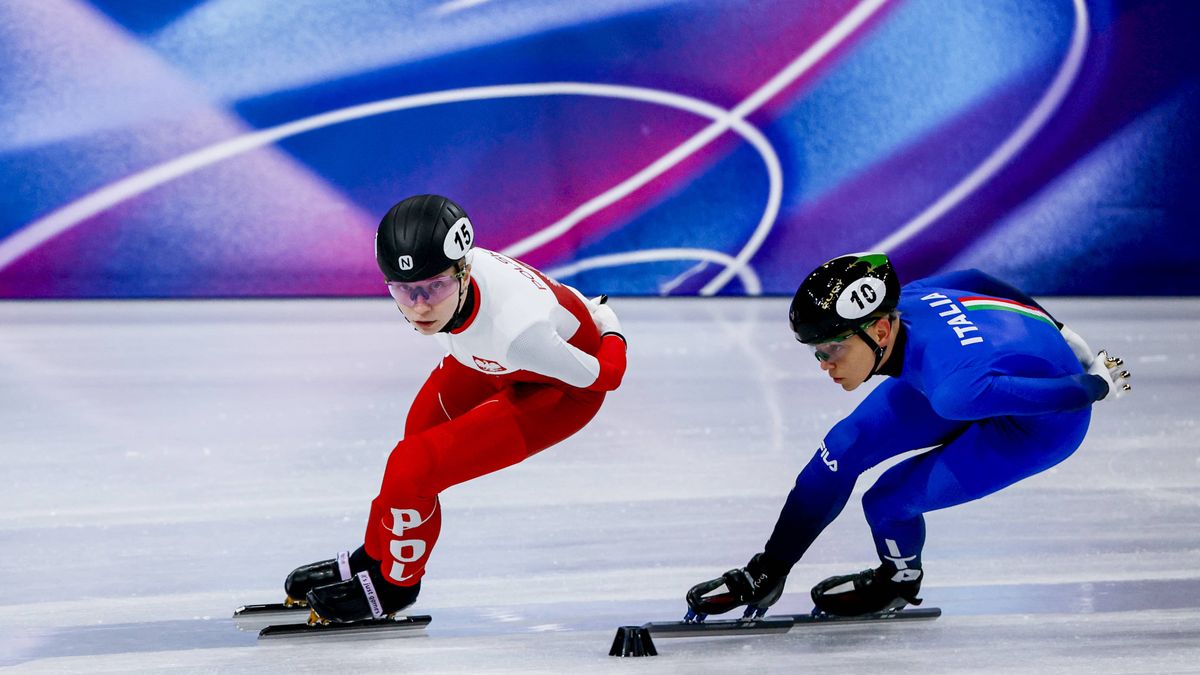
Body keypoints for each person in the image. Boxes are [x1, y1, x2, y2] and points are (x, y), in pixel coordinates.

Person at [686, 252, 1131, 618]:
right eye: (816, 352)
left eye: (834, 348)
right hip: (974, 375)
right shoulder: (914, 298)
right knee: (842, 448)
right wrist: (1059, 328)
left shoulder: (957, 390)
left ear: (881, 329)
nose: (824, 364)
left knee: (888, 502)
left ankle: (899, 580)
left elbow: (1062, 398)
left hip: (1039, 420)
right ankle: (767, 572)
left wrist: (1097, 382)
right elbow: (975, 276)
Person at [283, 194, 628, 623]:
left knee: (416, 466)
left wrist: (609, 326)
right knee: (410, 448)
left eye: (435, 287)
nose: (421, 306)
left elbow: (606, 377)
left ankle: (396, 585)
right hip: (488, 359)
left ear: (464, 271)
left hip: (559, 391)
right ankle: (375, 556)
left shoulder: (519, 331)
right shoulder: (458, 283)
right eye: (404, 292)